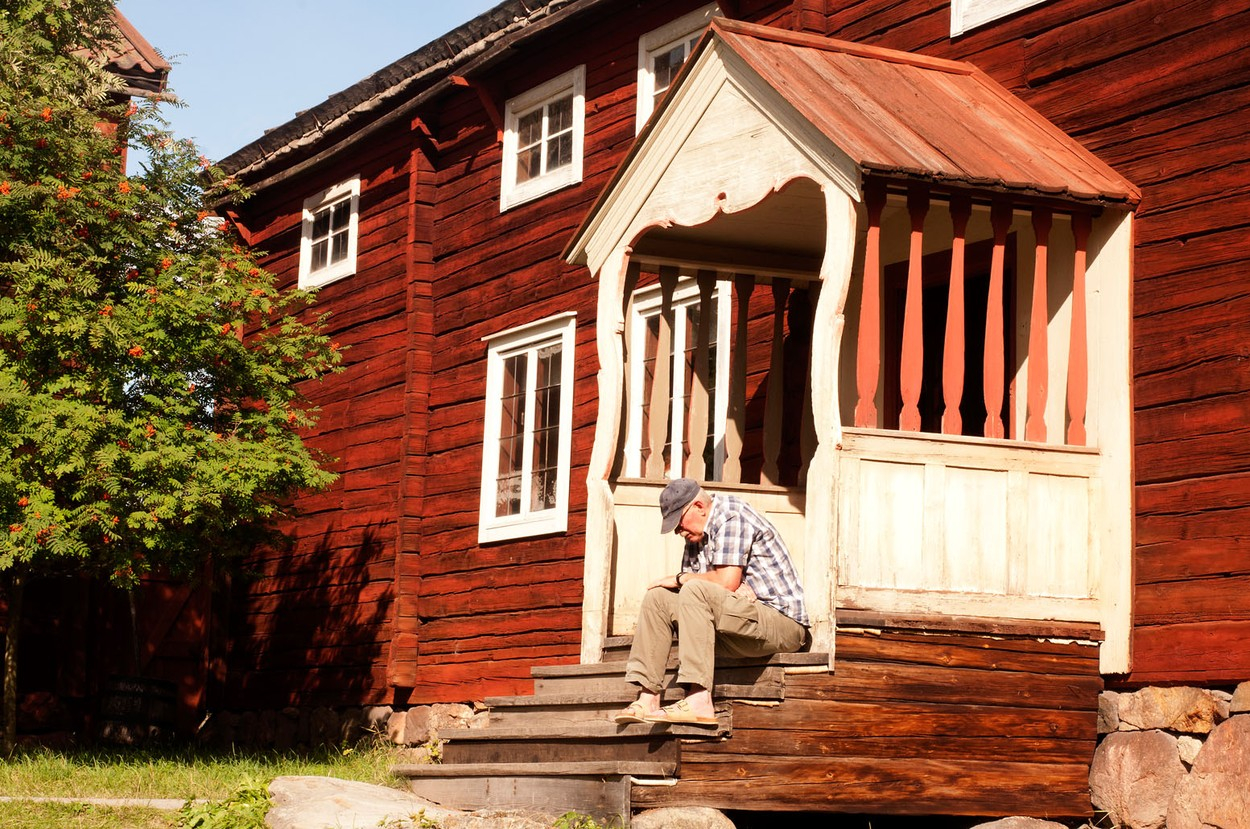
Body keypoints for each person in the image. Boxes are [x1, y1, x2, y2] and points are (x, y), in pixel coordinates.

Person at [613, 478, 809, 726]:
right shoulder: (695, 535)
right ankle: (648, 696)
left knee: (692, 587)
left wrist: (688, 579)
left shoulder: (731, 516)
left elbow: (722, 582)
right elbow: (710, 589)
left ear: (698, 506)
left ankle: (699, 700)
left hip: (782, 624)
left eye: (679, 521)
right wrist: (702, 583)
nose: (677, 531)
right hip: (740, 626)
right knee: (658, 597)